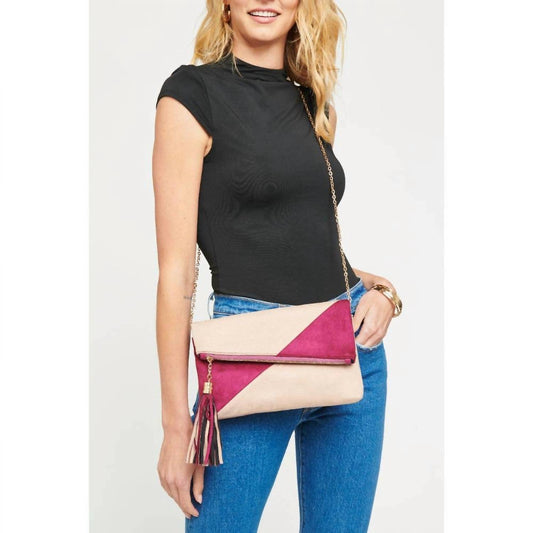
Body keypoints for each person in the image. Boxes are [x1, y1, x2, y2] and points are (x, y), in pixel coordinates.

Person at [152, 1, 402, 531]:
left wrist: (380, 294)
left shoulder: (314, 101)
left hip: (350, 349)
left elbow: (304, 235)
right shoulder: (191, 96)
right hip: (250, 355)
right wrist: (176, 426)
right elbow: (177, 275)